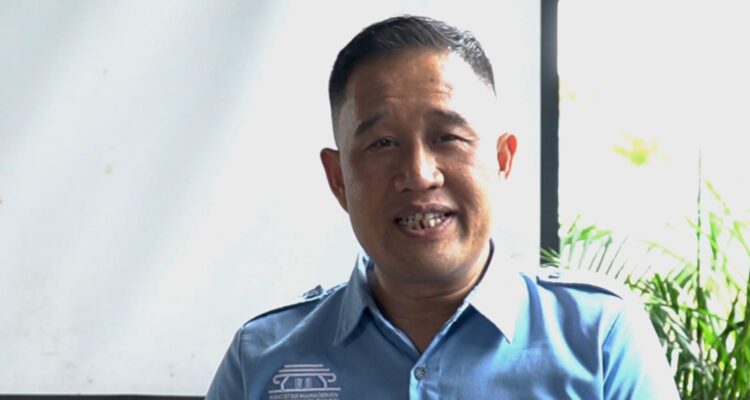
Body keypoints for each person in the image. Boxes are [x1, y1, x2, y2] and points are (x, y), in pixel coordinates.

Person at [206, 15, 679, 399]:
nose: (419, 174)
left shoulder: (599, 337)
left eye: (447, 137)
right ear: (338, 180)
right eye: (383, 142)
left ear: (502, 159)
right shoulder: (261, 358)